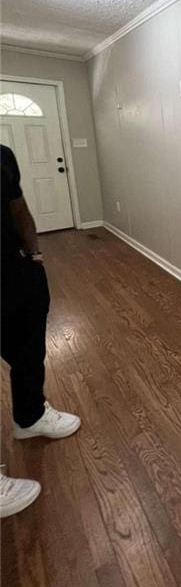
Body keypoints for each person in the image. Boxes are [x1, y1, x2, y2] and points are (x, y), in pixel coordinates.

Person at [0, 144, 81, 518]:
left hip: (15, 271)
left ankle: (29, 418)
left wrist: (34, 256)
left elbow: (17, 205)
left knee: (29, 349)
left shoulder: (2, 154)